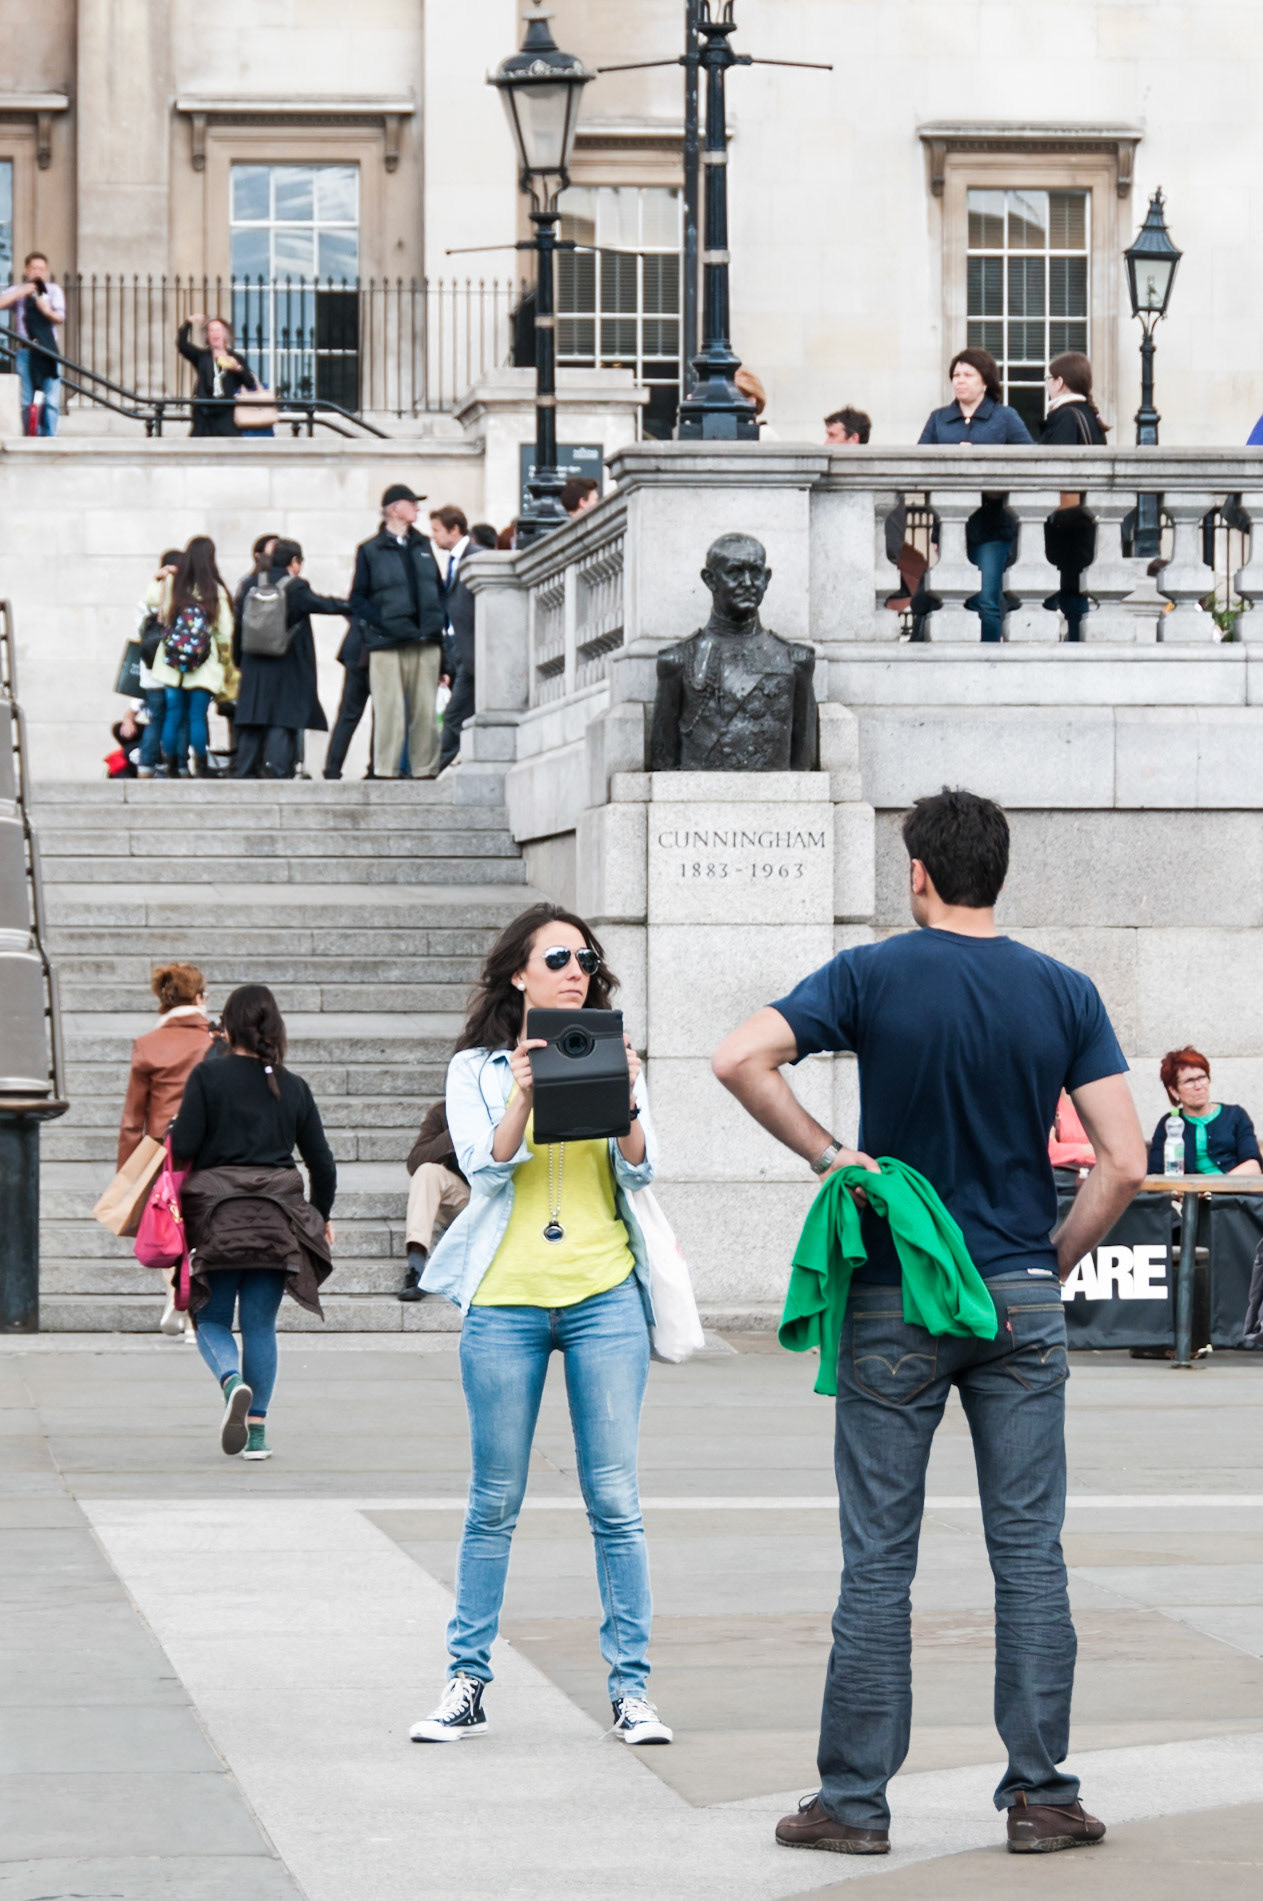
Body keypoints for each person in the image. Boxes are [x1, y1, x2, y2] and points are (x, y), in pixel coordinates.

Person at [713, 786, 1147, 1858]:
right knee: (1030, 1552)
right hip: (1018, 1293)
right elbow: (1126, 1159)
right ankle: (1043, 1796)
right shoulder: (1063, 990)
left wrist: (831, 1154)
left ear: (917, 872)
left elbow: (737, 1058)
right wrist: (1048, 1259)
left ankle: (854, 1804)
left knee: (878, 1558)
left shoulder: (869, 972)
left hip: (896, 1292)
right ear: (997, 872)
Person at [410, 904, 670, 1746]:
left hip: (603, 1296)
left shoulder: (612, 1050)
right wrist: (522, 1092)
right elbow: (484, 1168)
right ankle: (466, 1680)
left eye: (585, 958)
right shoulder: (475, 1068)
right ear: (518, 973)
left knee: (615, 1500)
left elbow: (643, 1165)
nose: (574, 969)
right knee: (492, 1499)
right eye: (556, 956)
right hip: (507, 1301)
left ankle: (632, 1691)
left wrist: (624, 1095)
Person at [171, 984, 335, 1463]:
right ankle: (257, 1435)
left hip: (218, 1219)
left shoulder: (208, 1077)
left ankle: (231, 1381)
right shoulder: (293, 1086)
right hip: (276, 1221)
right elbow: (322, 1164)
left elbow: (184, 1145)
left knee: (213, 1318)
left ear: (228, 1025)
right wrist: (320, 1217)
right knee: (260, 1325)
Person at [117, 962, 216, 1336]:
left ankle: (175, 1298)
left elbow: (132, 1119)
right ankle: (194, 1310)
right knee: (202, 1228)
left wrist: (127, 1172)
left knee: (167, 1225)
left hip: (163, 1151)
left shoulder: (148, 1045)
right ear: (201, 998)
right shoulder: (216, 1041)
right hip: (210, 1150)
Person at [918, 349, 1034, 642]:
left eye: (968, 375)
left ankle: (990, 665)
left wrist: (984, 462)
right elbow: (918, 463)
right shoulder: (939, 419)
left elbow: (1031, 460)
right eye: (956, 375)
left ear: (985, 382)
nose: (960, 381)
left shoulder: (1005, 417)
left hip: (993, 524)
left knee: (986, 600)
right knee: (954, 599)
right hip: (950, 525)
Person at [350, 484, 446, 780]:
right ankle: (386, 770)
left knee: (425, 712)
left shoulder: (423, 545)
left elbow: (438, 590)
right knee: (389, 711)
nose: (417, 509)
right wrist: (381, 623)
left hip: (425, 639)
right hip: (388, 642)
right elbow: (358, 598)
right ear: (394, 509)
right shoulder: (370, 549)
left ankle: (425, 769)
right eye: (412, 504)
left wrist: (437, 621)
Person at [233, 538, 347, 780]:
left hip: (253, 662)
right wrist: (352, 605)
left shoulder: (251, 584)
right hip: (285, 661)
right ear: (294, 561)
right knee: (281, 719)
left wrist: (238, 659)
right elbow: (322, 605)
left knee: (253, 718)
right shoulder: (295, 586)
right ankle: (278, 773)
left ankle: (243, 771)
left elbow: (238, 625)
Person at [148, 537, 235, 778]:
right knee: (197, 715)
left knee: (173, 713)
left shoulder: (175, 583)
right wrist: (225, 661)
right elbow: (225, 632)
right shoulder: (214, 589)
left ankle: (171, 763)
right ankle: (202, 764)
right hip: (203, 663)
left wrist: (159, 578)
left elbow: (152, 602)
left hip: (171, 663)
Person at [1040, 353, 1109, 642]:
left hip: (1065, 521)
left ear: (1060, 382)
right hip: (1082, 520)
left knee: (1067, 593)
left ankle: (1076, 648)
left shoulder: (1066, 415)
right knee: (1074, 590)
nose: (1047, 385)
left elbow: (1055, 467)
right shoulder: (1090, 416)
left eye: (1048, 379)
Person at [1147, 1047, 1263, 1177]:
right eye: (1189, 1081)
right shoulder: (1169, 1123)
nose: (1198, 1086)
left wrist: (1215, 1189)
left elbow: (1253, 1165)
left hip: (1234, 1195)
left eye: (1202, 1077)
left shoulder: (1235, 1115)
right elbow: (1155, 1173)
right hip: (1187, 1196)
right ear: (1174, 1091)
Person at [399, 1098, 470, 1301]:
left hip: (500, 1200)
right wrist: (456, 1129)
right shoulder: (444, 1111)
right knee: (427, 1172)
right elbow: (415, 1162)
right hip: (465, 1200)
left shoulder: (504, 1104)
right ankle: (416, 1264)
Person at [430, 505, 475, 774]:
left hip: (470, 648)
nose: (433, 536)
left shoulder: (476, 556)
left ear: (454, 529)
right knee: (458, 713)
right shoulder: (452, 560)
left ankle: (439, 767)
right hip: (457, 647)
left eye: (437, 530)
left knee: (456, 714)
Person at [0, 252, 65, 437]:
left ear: (47, 271)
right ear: (26, 269)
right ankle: (31, 436)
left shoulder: (53, 290)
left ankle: (49, 437)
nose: (38, 272)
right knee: (27, 399)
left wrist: (45, 309)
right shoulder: (18, 291)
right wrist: (23, 291)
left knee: (51, 399)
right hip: (26, 351)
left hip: (48, 351)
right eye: (34, 268)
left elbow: (60, 317)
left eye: (41, 268)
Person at [135, 550, 183, 778]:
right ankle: (174, 765)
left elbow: (139, 633)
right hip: (173, 672)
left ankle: (146, 766)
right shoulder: (178, 601)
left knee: (156, 720)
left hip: (150, 674)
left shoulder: (144, 602)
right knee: (176, 719)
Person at [177, 313, 258, 438]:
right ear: (208, 336)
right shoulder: (202, 356)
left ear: (225, 334)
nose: (215, 333)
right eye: (211, 330)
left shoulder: (235, 358)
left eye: (218, 330)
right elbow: (182, 345)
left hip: (225, 413)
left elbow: (250, 383)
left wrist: (238, 368)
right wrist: (188, 322)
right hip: (203, 413)